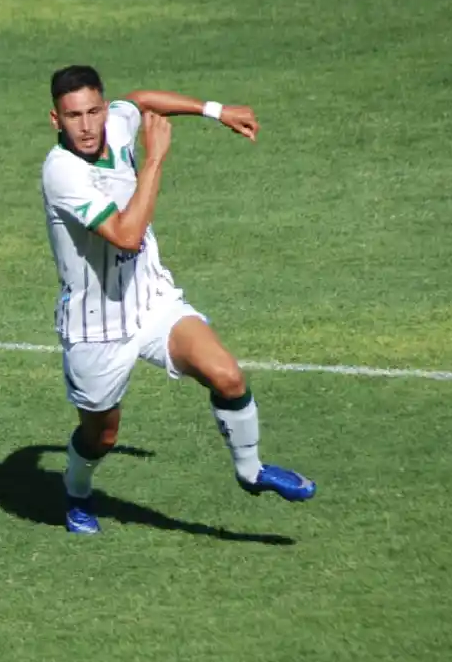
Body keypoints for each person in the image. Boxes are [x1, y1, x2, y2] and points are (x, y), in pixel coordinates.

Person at [41, 64, 316, 535]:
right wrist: (154, 161)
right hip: (96, 327)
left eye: (93, 112)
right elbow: (126, 236)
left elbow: (140, 100)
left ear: (103, 108)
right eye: (73, 116)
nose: (86, 126)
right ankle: (77, 492)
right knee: (102, 435)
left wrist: (216, 110)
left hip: (151, 298)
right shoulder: (62, 173)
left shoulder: (117, 122)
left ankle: (251, 470)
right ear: (56, 120)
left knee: (228, 377)